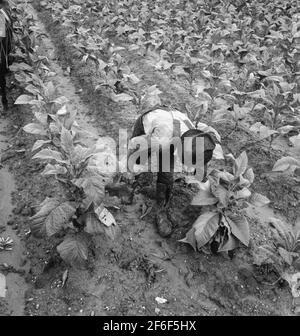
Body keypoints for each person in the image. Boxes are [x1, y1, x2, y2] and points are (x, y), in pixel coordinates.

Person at [129, 106, 221, 237]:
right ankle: (153, 200)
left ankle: (162, 204)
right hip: (151, 123)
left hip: (171, 124)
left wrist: (211, 199)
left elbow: (201, 172)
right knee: (142, 159)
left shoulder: (196, 140)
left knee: (166, 169)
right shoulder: (162, 139)